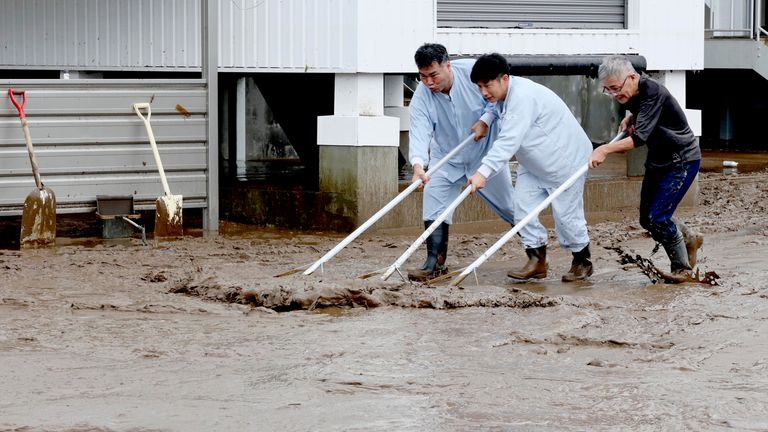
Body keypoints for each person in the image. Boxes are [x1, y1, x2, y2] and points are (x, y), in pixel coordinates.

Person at [468, 53, 594, 282]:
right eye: (479, 86)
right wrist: (485, 120)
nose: (484, 92)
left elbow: (507, 142)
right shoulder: (505, 95)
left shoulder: (523, 97)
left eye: (487, 85)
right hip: (534, 162)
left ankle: (582, 261)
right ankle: (537, 261)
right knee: (522, 208)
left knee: (567, 217)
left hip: (564, 161)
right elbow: (497, 108)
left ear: (504, 79)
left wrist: (482, 173)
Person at [588, 55, 703, 283]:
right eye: (607, 90)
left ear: (631, 78)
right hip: (658, 159)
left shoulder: (653, 91)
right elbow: (642, 113)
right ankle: (689, 237)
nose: (613, 95)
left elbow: (639, 139)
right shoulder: (632, 90)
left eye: (615, 89)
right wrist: (631, 116)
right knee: (646, 220)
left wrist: (604, 149)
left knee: (659, 218)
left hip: (681, 160)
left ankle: (682, 269)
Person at [407, 43, 516, 281]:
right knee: (433, 204)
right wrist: (418, 166)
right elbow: (419, 132)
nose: (429, 82)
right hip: (446, 157)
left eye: (434, 75)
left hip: (484, 155)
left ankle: (536, 253)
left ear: (448, 65)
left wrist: (486, 120)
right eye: (423, 76)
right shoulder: (421, 97)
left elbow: (499, 98)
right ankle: (434, 262)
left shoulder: (473, 73)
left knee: (510, 207)